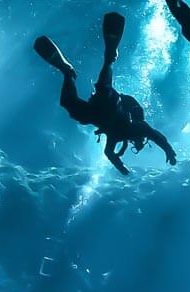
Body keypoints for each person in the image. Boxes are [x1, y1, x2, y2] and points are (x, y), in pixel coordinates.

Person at [34, 11, 177, 175]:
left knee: (70, 106)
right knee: (103, 88)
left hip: (96, 115)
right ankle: (110, 57)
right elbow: (155, 136)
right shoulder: (138, 127)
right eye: (141, 142)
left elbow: (108, 152)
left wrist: (121, 166)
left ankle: (67, 71)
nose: (138, 143)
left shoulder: (119, 136)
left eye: (137, 144)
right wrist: (168, 151)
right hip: (110, 105)